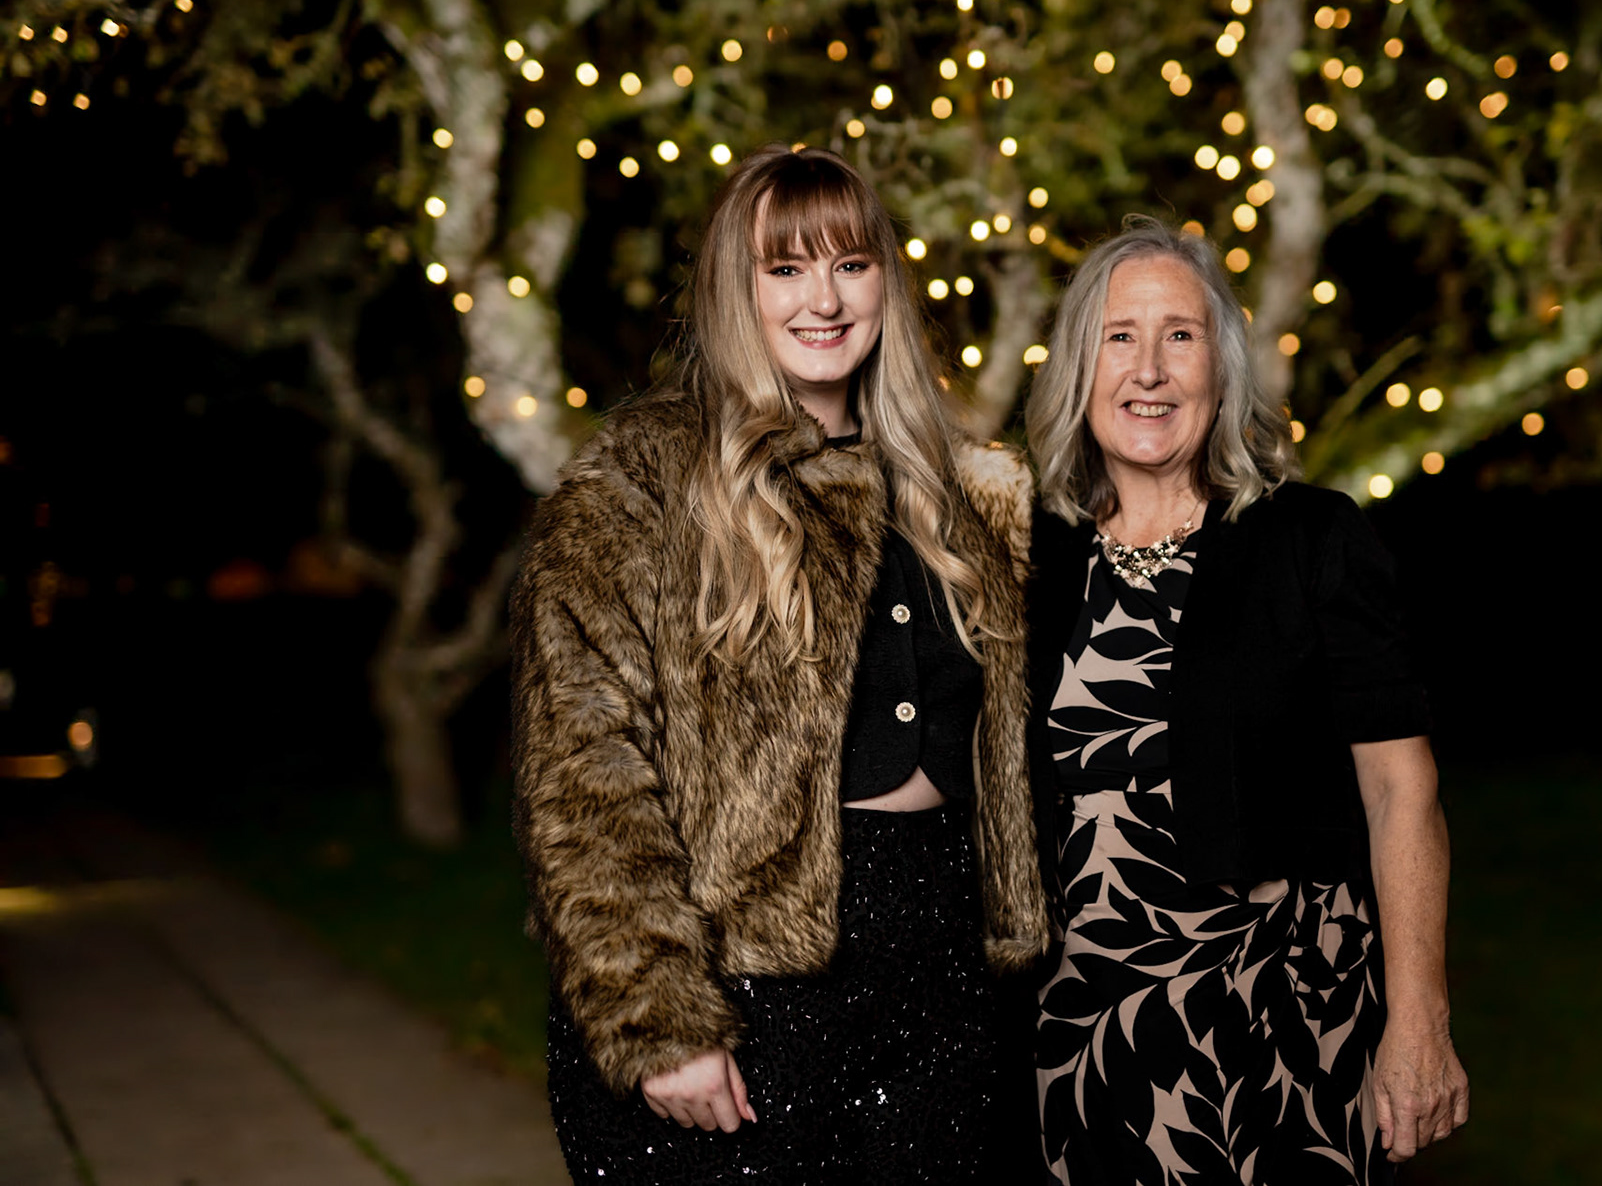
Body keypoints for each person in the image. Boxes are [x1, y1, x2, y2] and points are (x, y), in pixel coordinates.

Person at [511, 144, 1049, 1184]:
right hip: (743, 1004)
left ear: (886, 280)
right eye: (786, 268)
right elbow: (583, 775)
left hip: (944, 999)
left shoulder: (967, 494)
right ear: (734, 286)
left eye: (851, 263)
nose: (824, 299)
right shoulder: (637, 488)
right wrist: (658, 1014)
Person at [1023, 217, 1469, 1184]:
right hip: (1081, 1036)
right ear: (1077, 368)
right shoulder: (1028, 558)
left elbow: (1402, 789)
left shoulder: (1313, 540)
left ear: (1221, 369)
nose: (1148, 369)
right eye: (1119, 336)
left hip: (1281, 1028)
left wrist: (1421, 1019)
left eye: (1179, 335)